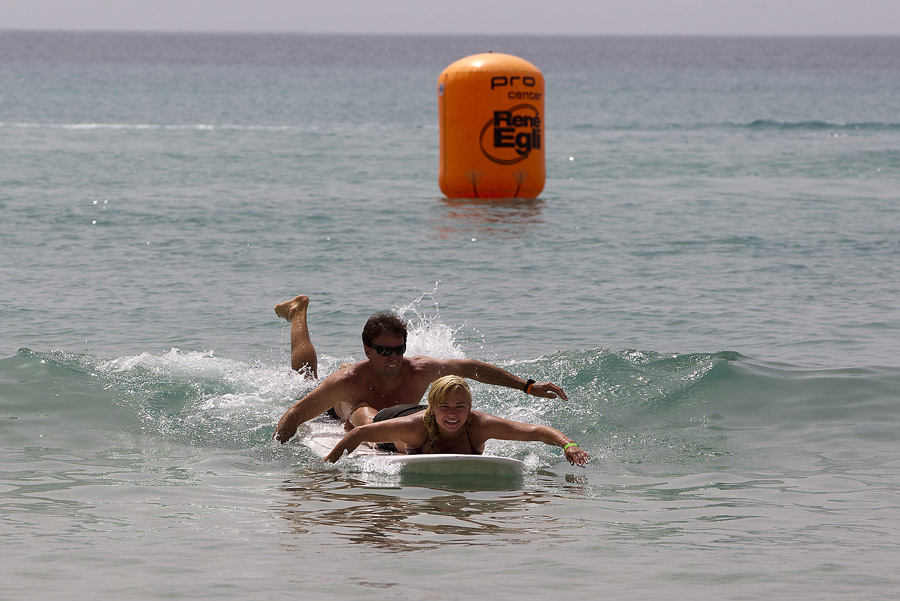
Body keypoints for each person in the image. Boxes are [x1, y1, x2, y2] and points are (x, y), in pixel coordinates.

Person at [272, 294, 569, 444]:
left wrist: (528, 386)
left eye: (399, 350)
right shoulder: (347, 381)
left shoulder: (420, 369)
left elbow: (472, 369)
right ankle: (298, 311)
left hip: (386, 418)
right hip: (343, 409)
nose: (393, 358)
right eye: (384, 351)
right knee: (306, 379)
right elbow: (293, 416)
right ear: (367, 350)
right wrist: (278, 462)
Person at [323, 375, 589, 466]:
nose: (452, 414)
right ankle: (348, 400)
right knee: (362, 419)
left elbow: (537, 431)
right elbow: (357, 437)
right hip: (397, 416)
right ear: (434, 409)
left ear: (470, 407)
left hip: (423, 412)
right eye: (445, 408)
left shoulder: (480, 425)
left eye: (460, 407)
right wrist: (326, 470)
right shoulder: (414, 426)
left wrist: (568, 446)